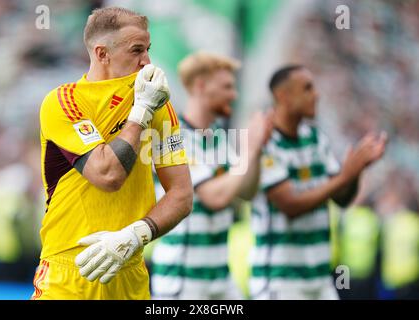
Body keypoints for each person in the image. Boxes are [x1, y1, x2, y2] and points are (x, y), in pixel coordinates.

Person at [32, 7, 193, 300]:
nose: (147, 61)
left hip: (129, 270)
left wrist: (136, 236)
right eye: (137, 50)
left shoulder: (157, 103)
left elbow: (182, 195)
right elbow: (108, 174)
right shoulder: (63, 101)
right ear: (102, 53)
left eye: (148, 49)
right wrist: (141, 111)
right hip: (70, 275)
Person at [249, 65, 387, 300]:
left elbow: (341, 198)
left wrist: (356, 171)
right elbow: (290, 205)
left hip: (320, 280)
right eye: (307, 88)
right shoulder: (264, 140)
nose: (317, 94)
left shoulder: (315, 138)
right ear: (283, 96)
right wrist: (346, 175)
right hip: (280, 281)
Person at [151, 51, 272, 299]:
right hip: (183, 279)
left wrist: (256, 150)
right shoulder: (175, 135)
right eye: (227, 86)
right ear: (201, 86)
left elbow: (245, 192)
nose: (234, 95)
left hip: (219, 276)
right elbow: (213, 197)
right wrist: (248, 151)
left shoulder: (216, 136)